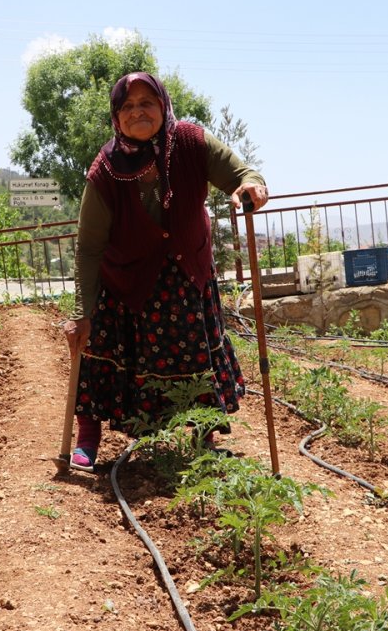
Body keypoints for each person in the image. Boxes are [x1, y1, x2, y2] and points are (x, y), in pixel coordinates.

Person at [63, 71, 269, 472]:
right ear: (116, 117)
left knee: (196, 356)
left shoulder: (190, 143)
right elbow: (88, 248)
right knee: (99, 354)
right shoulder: (105, 171)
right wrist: (80, 311)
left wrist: (252, 186)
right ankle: (87, 438)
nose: (137, 111)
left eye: (146, 103)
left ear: (163, 106)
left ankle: (202, 438)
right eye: (127, 106)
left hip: (186, 276)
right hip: (125, 280)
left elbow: (241, 172)